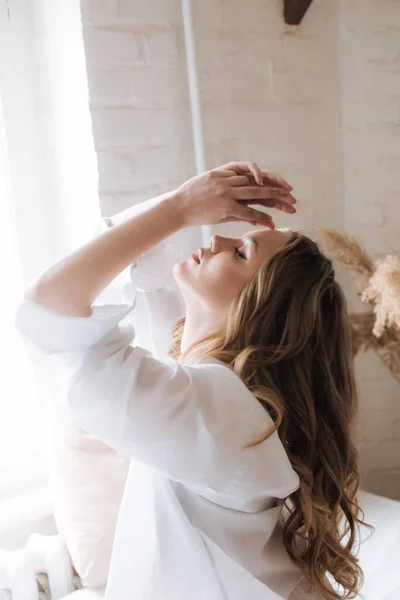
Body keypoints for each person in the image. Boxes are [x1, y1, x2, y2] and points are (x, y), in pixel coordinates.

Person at [15, 162, 369, 600]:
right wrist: (188, 197)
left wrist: (182, 207)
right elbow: (129, 272)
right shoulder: (219, 395)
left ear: (261, 312)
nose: (215, 239)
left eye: (240, 252)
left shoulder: (222, 412)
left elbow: (49, 309)